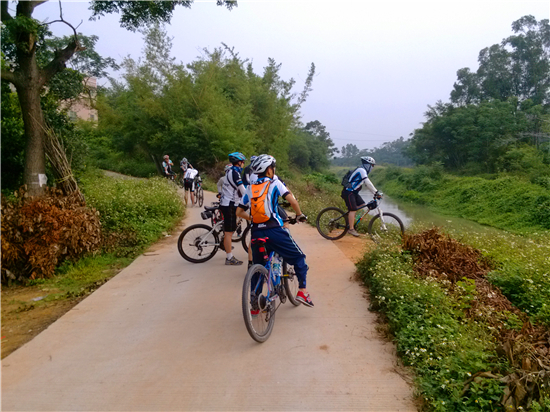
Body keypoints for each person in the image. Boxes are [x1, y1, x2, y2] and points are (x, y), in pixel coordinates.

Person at [236, 154, 313, 307]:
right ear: (269, 170)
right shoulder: (274, 183)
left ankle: (254, 304)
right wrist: (299, 215)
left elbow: (239, 211)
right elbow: (292, 201)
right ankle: (302, 291)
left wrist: (253, 218)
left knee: (257, 267)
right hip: (275, 231)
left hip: (256, 232)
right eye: (273, 167)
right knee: (299, 257)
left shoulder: (250, 188)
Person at [341, 156, 380, 237]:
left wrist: (374, 193)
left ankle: (351, 220)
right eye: (372, 165)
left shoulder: (363, 171)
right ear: (367, 165)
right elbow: (368, 182)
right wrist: (376, 192)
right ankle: (351, 229)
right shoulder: (361, 170)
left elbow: (367, 185)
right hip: (348, 192)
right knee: (353, 209)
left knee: (362, 205)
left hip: (354, 192)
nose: (372, 167)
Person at [220, 152, 247, 265]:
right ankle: (229, 258)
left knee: (230, 228)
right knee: (229, 233)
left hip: (227, 203)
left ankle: (225, 244)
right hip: (229, 205)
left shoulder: (230, 171)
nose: (243, 164)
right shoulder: (235, 173)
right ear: (239, 162)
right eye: (243, 162)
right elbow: (243, 190)